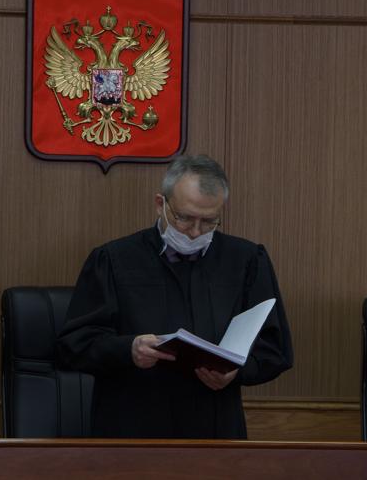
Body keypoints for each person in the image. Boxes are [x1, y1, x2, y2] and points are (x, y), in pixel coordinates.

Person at [57, 154, 293, 439]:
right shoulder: (114, 259)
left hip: (213, 426)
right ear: (161, 204)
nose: (195, 232)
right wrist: (128, 349)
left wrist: (238, 372)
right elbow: (74, 345)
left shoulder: (246, 260)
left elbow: (274, 348)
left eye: (209, 221)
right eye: (185, 218)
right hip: (133, 425)